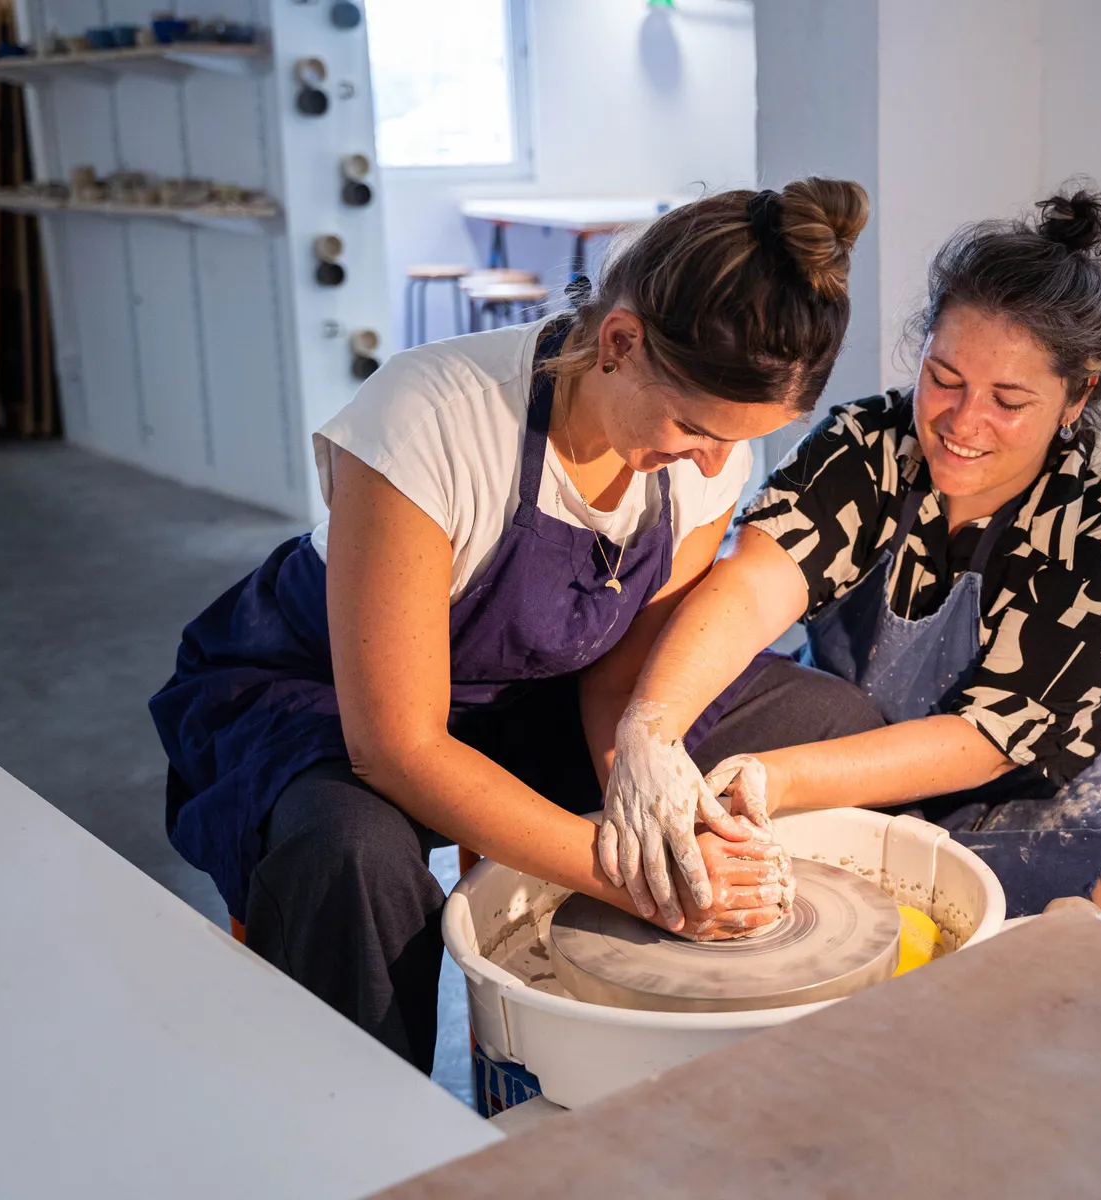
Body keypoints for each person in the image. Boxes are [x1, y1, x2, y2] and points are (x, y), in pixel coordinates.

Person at [150, 179, 871, 1069]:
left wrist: (648, 788)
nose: (716, 464)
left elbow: (622, 678)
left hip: (537, 691)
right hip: (325, 704)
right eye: (693, 427)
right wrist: (635, 880)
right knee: (351, 857)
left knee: (824, 721)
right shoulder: (433, 416)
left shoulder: (706, 456)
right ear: (619, 342)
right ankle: (371, 1124)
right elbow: (399, 749)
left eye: (738, 439)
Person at [599, 184, 1101, 920]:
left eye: (1008, 402)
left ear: (1076, 398)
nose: (963, 422)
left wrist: (776, 778)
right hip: (855, 739)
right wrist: (651, 728)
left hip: (1042, 785)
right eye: (943, 379)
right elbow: (754, 583)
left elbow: (989, 740)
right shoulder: (866, 444)